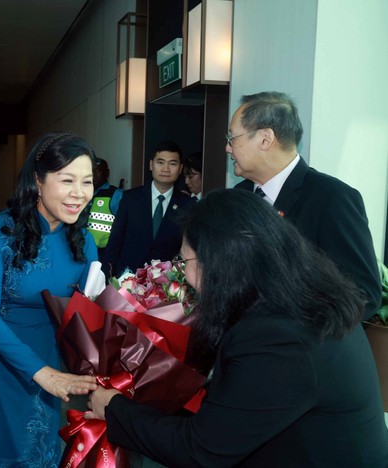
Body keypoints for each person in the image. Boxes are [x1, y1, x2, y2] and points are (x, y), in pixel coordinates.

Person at [86, 189, 388, 467]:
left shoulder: (278, 338)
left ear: (217, 264)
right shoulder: (301, 297)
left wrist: (114, 408)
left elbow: (202, 449)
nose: (183, 272)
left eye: (184, 260)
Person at [0, 132, 99, 467]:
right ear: (38, 179)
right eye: (67, 180)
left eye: (88, 182)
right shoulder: (0, 231)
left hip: (46, 353)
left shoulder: (84, 240)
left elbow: (87, 315)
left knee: (35, 449)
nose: (79, 193)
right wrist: (42, 373)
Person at [229, 91, 381, 320]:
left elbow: (364, 294)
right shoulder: (238, 197)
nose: (228, 148)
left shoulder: (331, 198)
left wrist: (295, 329)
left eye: (232, 138)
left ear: (265, 139)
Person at [102, 141, 195, 278]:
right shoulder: (130, 199)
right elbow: (115, 242)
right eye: (160, 162)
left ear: (180, 168)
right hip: (127, 281)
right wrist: (107, 278)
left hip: (165, 286)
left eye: (172, 164)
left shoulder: (188, 205)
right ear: (151, 165)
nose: (166, 169)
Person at [86, 157, 124, 258]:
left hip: (104, 253)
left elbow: (123, 225)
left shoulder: (116, 194)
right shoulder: (83, 192)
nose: (94, 174)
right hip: (82, 250)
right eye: (91, 170)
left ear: (107, 173)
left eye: (98, 170)